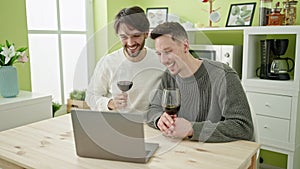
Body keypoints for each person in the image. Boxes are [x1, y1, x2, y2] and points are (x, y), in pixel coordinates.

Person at [147, 22, 254, 142]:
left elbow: (243, 127)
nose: (163, 60)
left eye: (168, 51)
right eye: (159, 54)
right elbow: (152, 110)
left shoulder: (223, 75)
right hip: (185, 151)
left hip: (218, 153)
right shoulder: (169, 76)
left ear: (185, 46)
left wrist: (192, 129)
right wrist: (159, 119)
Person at [85, 6, 164, 114]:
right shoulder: (108, 62)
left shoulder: (160, 60)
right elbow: (91, 97)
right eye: (124, 37)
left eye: (136, 35)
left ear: (146, 33)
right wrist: (110, 103)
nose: (130, 43)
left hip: (149, 124)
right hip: (117, 124)